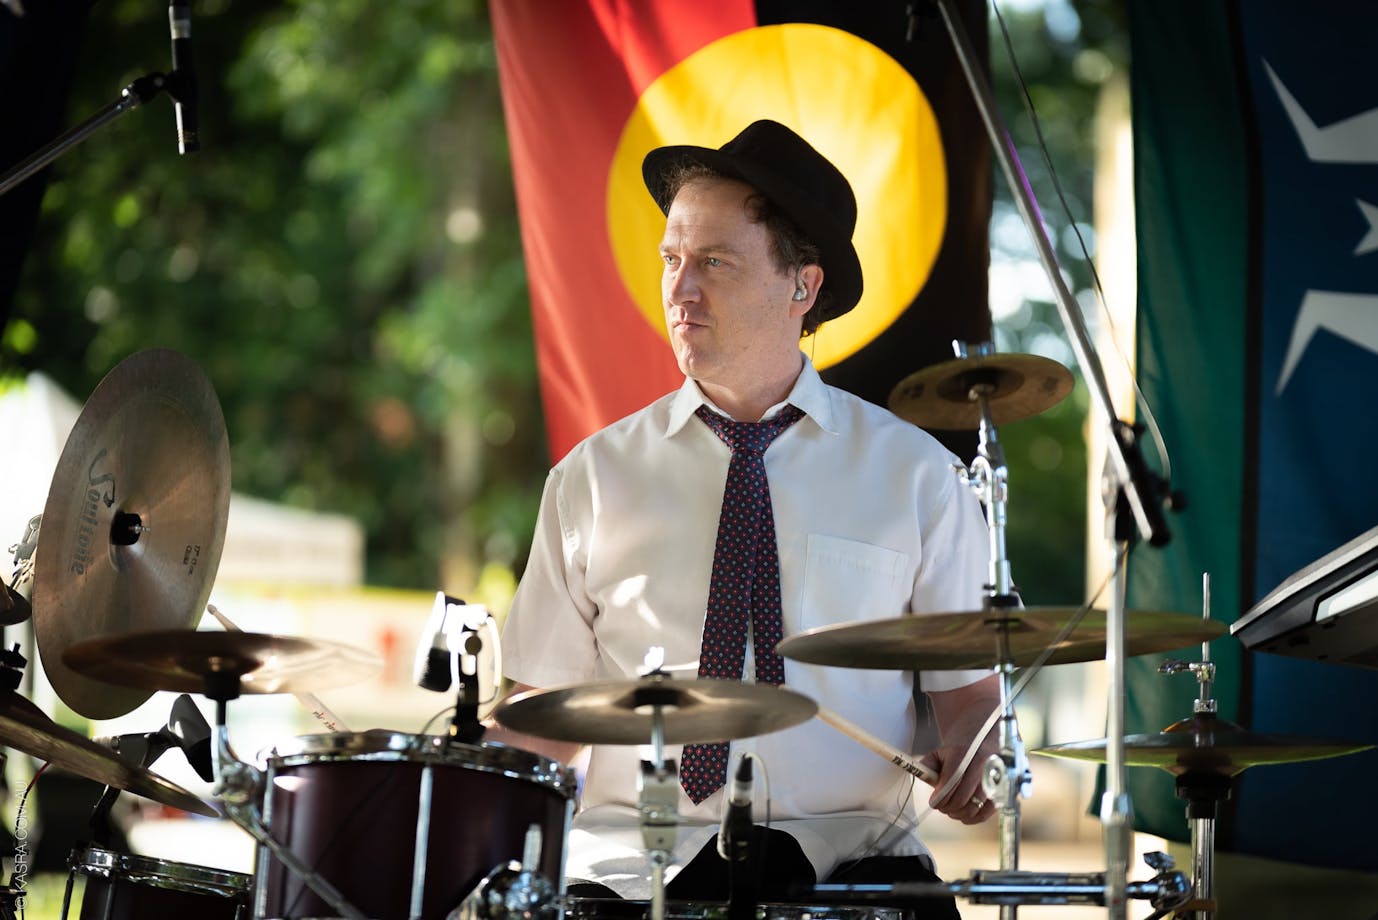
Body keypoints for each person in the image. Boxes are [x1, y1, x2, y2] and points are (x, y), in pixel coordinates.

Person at [495, 119, 1000, 917]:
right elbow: (540, 721)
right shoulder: (591, 479)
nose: (680, 288)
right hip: (635, 869)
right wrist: (439, 792)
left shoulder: (920, 479)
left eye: (715, 263)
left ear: (802, 286)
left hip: (853, 860)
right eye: (672, 259)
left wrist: (977, 756)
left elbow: (972, 697)